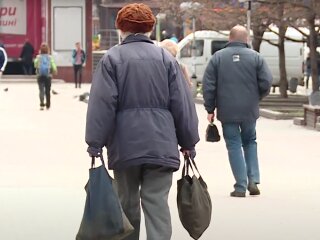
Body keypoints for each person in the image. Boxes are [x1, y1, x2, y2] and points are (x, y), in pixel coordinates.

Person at [85, 3, 199, 240]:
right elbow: (183, 104)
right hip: (161, 144)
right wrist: (188, 142)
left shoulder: (111, 59)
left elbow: (101, 104)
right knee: (157, 203)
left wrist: (95, 143)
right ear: (150, 29)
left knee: (126, 203)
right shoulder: (166, 60)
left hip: (125, 146)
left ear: (121, 29)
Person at [202, 25, 272, 198]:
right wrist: (256, 97)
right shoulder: (256, 58)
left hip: (227, 111)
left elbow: (208, 86)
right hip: (249, 109)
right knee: (250, 141)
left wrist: (210, 108)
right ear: (246, 39)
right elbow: (266, 82)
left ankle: (240, 186)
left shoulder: (217, 58)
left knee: (233, 144)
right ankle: (253, 180)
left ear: (230, 38)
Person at [34, 43, 57, 110]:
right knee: (48, 91)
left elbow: (35, 65)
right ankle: (48, 105)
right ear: (48, 50)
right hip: (48, 76)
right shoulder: (50, 57)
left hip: (40, 75)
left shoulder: (38, 57)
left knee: (41, 90)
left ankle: (41, 104)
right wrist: (55, 70)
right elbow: (53, 66)